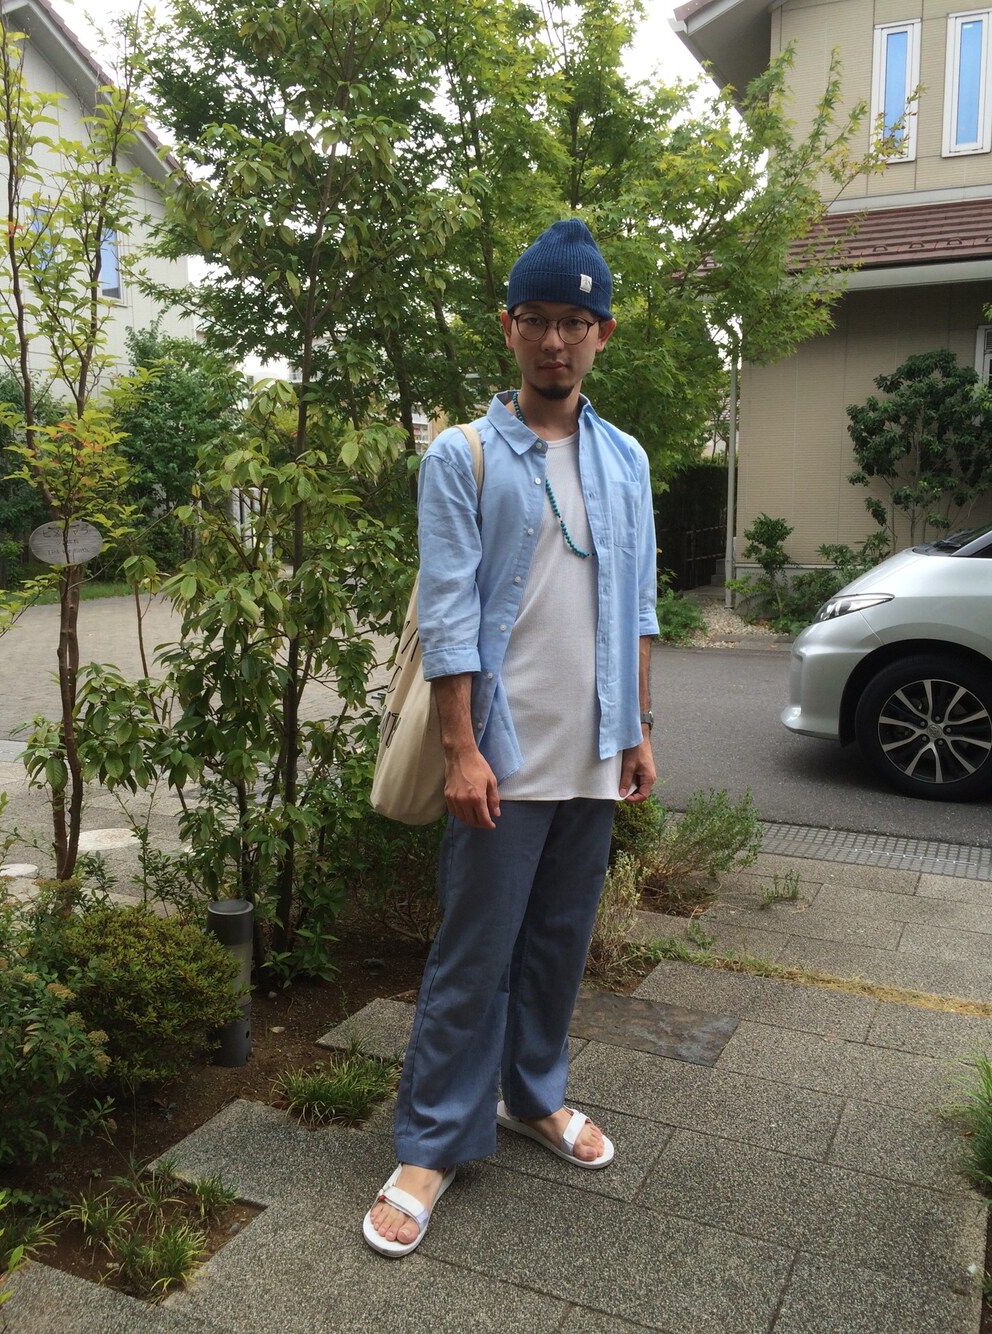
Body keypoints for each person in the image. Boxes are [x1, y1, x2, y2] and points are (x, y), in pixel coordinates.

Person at [363, 218, 659, 1257]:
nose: (555, 340)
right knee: (474, 951)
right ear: (509, 327)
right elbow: (448, 613)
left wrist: (638, 730)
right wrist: (461, 746)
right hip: (502, 749)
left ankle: (533, 1094)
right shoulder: (464, 454)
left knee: (559, 941)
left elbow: (639, 607)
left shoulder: (625, 459)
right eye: (537, 318)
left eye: (575, 321)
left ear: (602, 333)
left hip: (595, 747)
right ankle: (433, 1141)